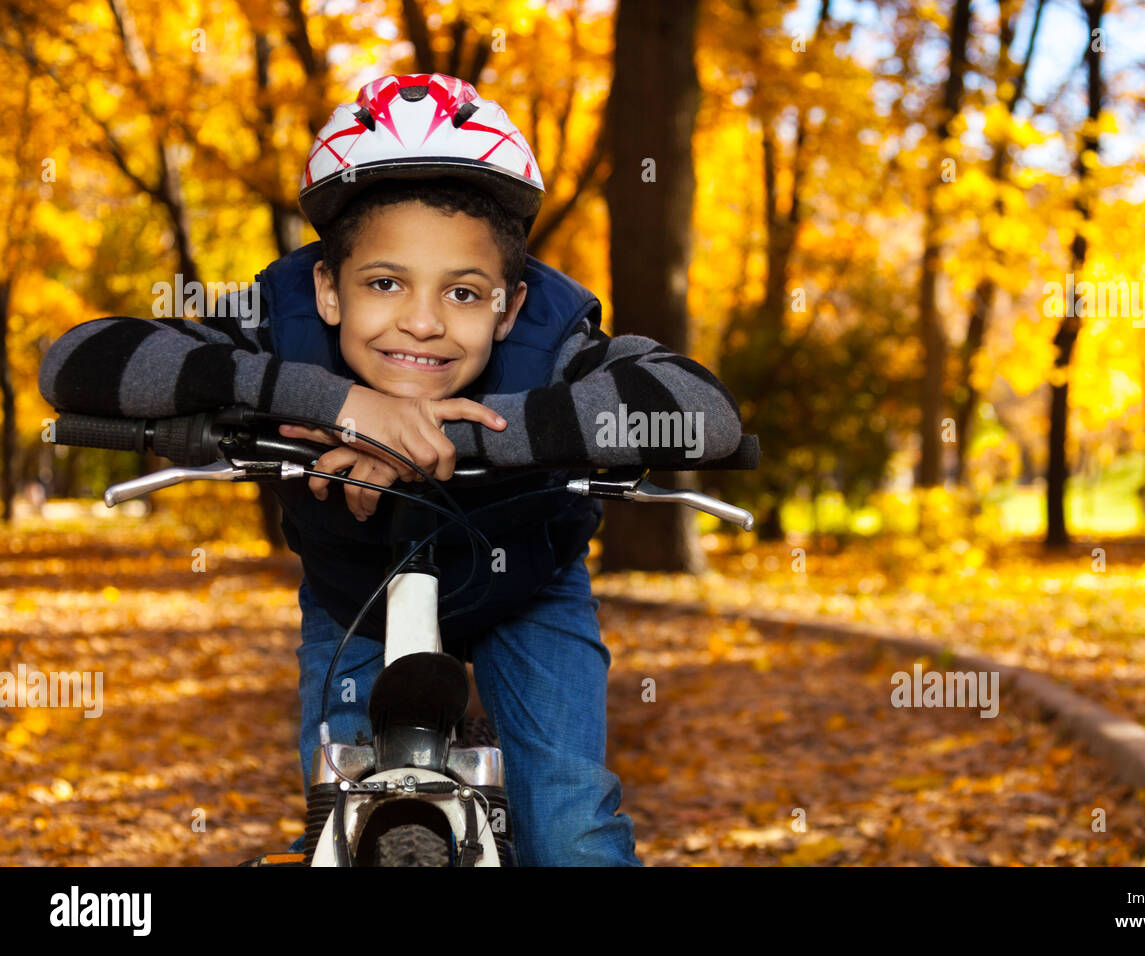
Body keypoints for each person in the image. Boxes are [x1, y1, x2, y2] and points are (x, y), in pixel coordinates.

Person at [38, 72, 743, 866]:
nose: (421, 320)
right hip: (356, 594)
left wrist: (458, 438)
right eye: (382, 283)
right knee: (341, 813)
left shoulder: (550, 333)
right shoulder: (279, 319)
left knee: (571, 823)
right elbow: (76, 360)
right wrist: (339, 404)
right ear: (327, 289)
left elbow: (704, 410)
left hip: (527, 582)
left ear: (509, 307)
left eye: (465, 294)